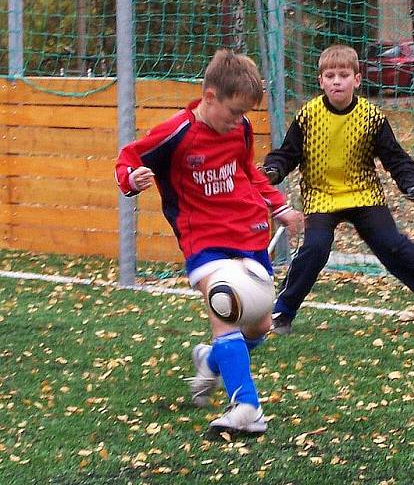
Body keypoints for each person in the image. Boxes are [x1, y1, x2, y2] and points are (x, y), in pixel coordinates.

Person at [115, 49, 304, 436]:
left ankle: (211, 361)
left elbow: (247, 170)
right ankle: (247, 407)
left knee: (258, 325)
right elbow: (129, 155)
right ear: (210, 97)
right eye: (234, 112)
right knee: (226, 307)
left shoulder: (240, 129)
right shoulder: (177, 132)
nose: (239, 121)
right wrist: (131, 179)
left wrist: (278, 205)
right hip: (203, 241)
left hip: (248, 234)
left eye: (245, 114)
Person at [261, 44, 414, 335]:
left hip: (364, 195)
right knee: (315, 248)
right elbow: (287, 154)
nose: (337, 81)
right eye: (330, 75)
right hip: (322, 197)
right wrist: (273, 169)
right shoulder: (308, 116)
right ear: (320, 81)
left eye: (344, 75)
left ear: (357, 80)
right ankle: (282, 313)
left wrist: (410, 184)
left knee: (394, 247)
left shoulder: (371, 117)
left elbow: (395, 157)